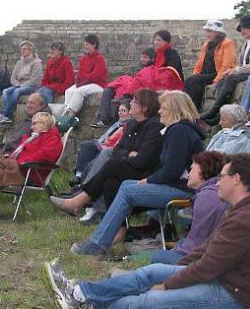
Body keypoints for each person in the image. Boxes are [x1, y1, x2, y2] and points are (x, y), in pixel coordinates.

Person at [43, 154, 250, 309]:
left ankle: (92, 303)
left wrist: (169, 285)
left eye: (222, 177)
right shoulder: (241, 210)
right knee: (151, 272)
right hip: (227, 279)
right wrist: (172, 271)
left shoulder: (246, 219)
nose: (217, 181)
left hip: (237, 295)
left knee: (150, 300)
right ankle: (81, 292)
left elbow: (208, 267)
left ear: (237, 179)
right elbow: (205, 250)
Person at [65, 90, 206, 256]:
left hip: (183, 189)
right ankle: (115, 231)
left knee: (127, 189)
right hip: (179, 185)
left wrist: (149, 180)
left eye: (164, 108)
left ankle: (96, 244)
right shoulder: (180, 130)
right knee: (123, 184)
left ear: (176, 110)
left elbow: (172, 170)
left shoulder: (178, 131)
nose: (160, 111)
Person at [49, 89, 163, 216]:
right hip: (130, 167)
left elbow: (143, 160)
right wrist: (129, 154)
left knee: (113, 165)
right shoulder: (132, 125)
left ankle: (78, 201)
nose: (130, 103)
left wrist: (127, 155)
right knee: (110, 183)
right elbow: (117, 150)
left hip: (145, 174)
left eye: (135, 101)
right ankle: (116, 227)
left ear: (145, 107)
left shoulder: (154, 127)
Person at [150, 151, 228, 265]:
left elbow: (198, 244)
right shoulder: (215, 191)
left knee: (158, 257)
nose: (188, 174)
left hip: (204, 263)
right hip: (213, 256)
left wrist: (177, 251)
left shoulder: (206, 197)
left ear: (201, 170)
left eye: (191, 169)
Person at [200, 15, 250, 125]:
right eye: (241, 29)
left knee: (231, 78)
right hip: (247, 71)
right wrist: (235, 70)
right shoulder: (247, 43)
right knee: (224, 78)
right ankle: (219, 115)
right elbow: (242, 62)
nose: (242, 31)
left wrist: (237, 70)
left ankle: (214, 110)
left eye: (244, 28)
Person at [93, 49, 155, 127]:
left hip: (133, 91)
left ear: (152, 59)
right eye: (142, 57)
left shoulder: (151, 70)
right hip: (126, 86)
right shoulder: (137, 67)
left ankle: (111, 121)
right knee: (107, 91)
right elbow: (128, 76)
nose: (142, 59)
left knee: (123, 99)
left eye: (145, 58)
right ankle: (103, 118)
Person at [183, 20, 237, 111]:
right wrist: (195, 73)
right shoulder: (207, 44)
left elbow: (227, 65)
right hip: (205, 73)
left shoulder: (227, 43)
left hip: (216, 74)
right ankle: (185, 108)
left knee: (196, 81)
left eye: (209, 31)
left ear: (217, 32)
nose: (207, 33)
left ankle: (193, 109)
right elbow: (200, 63)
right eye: (207, 31)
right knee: (190, 80)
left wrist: (216, 81)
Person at [0, 40, 42, 124]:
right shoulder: (19, 63)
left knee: (17, 91)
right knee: (6, 91)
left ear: (31, 50)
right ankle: (4, 114)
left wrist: (22, 85)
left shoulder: (36, 63)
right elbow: (13, 78)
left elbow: (34, 79)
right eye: (22, 49)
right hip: (19, 84)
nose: (22, 51)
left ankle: (7, 115)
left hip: (31, 86)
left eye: (25, 49)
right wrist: (18, 84)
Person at [62, 34, 108, 118]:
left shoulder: (99, 58)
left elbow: (96, 76)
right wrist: (82, 79)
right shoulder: (84, 59)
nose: (85, 46)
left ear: (94, 45)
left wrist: (84, 77)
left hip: (97, 84)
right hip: (85, 83)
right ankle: (65, 113)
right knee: (68, 91)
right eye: (85, 44)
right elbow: (80, 74)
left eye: (87, 44)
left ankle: (71, 115)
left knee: (79, 91)